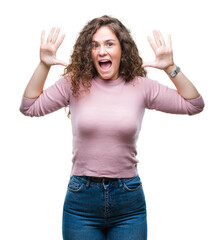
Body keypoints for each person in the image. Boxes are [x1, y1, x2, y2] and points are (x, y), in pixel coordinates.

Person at [19, 15, 204, 240]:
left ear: (122, 49)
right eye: (95, 45)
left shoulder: (140, 86)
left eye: (109, 44)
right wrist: (44, 65)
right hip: (81, 203)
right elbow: (29, 106)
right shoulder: (74, 84)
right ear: (88, 52)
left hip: (128, 202)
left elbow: (194, 104)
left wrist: (171, 68)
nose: (101, 51)